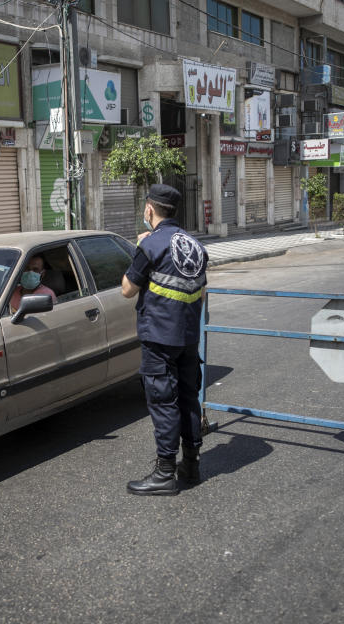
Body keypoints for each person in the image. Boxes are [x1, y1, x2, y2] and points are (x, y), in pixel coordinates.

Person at [121, 184, 208, 496]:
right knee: (187, 398)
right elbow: (202, 291)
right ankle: (192, 464)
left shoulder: (152, 244)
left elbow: (127, 289)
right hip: (188, 335)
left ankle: (165, 473)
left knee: (163, 401)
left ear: (149, 209)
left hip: (159, 336)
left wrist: (138, 249)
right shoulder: (195, 245)